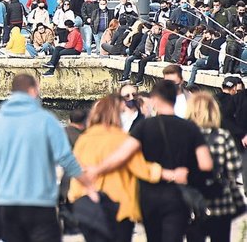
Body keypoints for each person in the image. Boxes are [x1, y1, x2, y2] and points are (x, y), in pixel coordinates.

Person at [0, 74, 94, 240]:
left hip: (8, 204)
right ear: (32, 91)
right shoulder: (46, 120)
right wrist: (89, 186)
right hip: (41, 203)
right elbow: (66, 158)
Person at [90, 80, 213, 242]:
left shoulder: (144, 126)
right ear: (175, 99)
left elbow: (122, 155)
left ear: (155, 100)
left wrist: (97, 170)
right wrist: (186, 176)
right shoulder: (190, 128)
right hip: (178, 195)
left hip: (149, 196)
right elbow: (206, 164)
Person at [69, 94, 183, 242]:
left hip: (87, 203)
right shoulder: (122, 139)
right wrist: (171, 174)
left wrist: (74, 196)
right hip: (119, 205)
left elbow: (75, 167)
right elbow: (142, 168)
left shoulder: (84, 139)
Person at [185, 92, 245, 242]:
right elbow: (234, 169)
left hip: (193, 203)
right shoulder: (222, 136)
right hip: (221, 202)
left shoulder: (184, 136)